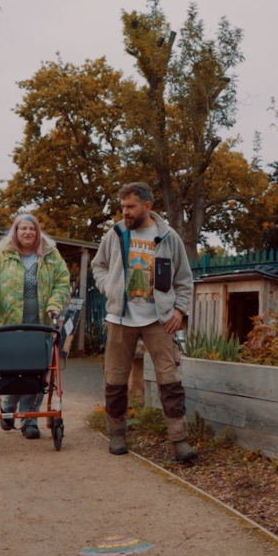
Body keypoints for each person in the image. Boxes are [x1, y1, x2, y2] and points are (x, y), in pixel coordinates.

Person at [92, 182, 197, 461]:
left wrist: (179, 311)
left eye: (131, 207)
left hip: (159, 320)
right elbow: (98, 266)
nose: (125, 212)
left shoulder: (169, 237)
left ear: (147, 206)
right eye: (123, 206)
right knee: (115, 380)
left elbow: (184, 279)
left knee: (170, 380)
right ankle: (116, 434)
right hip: (119, 318)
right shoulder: (115, 234)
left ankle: (179, 440)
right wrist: (109, 287)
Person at [0, 213, 70, 439]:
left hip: (40, 326)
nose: (28, 232)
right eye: (23, 228)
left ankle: (30, 420)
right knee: (11, 372)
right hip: (9, 326)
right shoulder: (3, 254)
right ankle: (8, 408)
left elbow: (62, 283)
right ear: (15, 232)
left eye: (32, 229)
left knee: (35, 373)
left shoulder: (51, 255)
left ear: (38, 232)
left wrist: (55, 304)